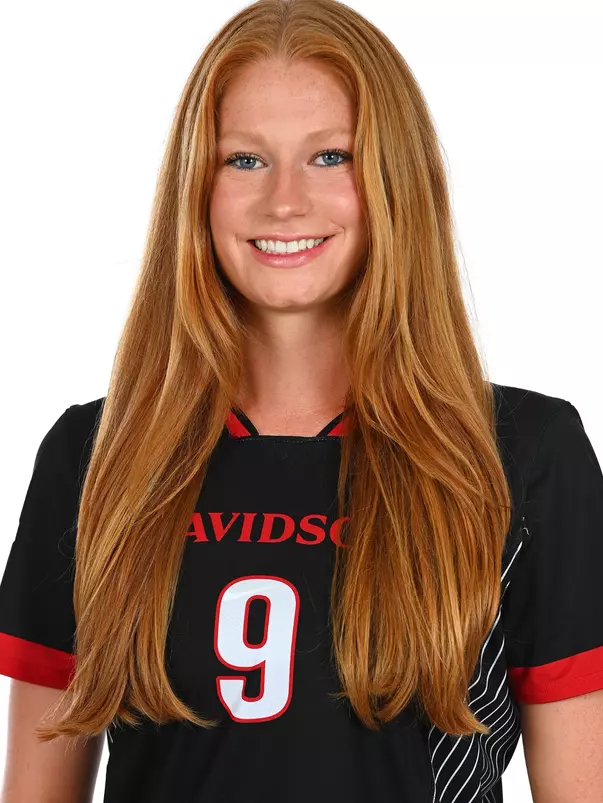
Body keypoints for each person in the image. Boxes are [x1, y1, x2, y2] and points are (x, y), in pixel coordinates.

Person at [1, 1, 603, 801]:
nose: (284, 202)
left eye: (330, 156)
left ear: (395, 178)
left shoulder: (521, 452)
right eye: (243, 161)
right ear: (195, 188)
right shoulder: (97, 454)